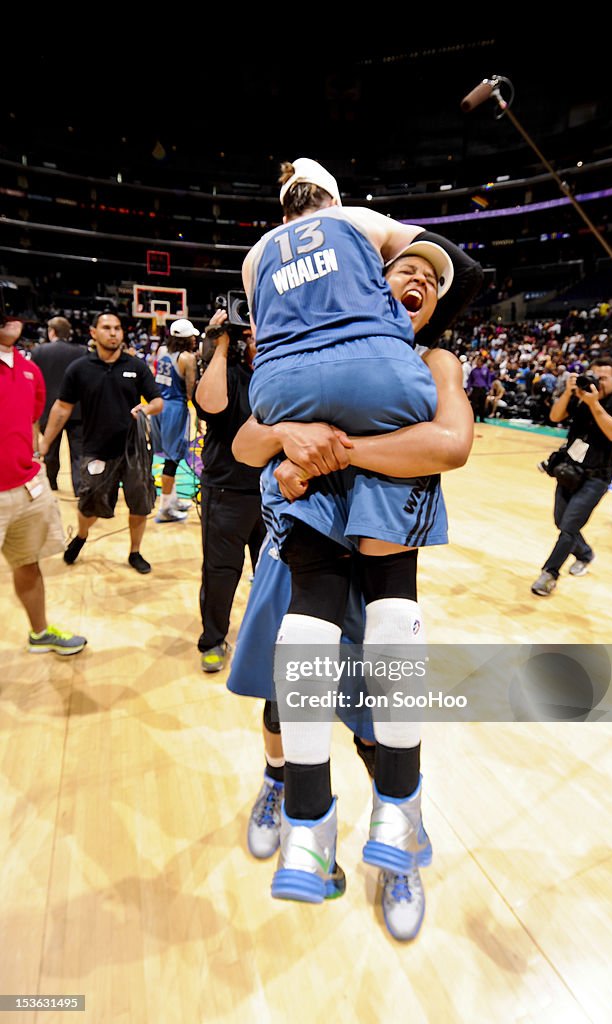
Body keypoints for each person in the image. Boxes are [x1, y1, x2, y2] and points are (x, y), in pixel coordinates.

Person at [240, 162, 481, 939]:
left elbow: (446, 444)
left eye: (430, 282)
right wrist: (284, 434)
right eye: (404, 270)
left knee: (377, 718)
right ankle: (291, 799)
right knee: (283, 700)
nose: (416, 280)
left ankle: (391, 852)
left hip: (348, 532)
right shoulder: (350, 346)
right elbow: (247, 444)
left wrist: (324, 450)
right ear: (369, 286)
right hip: (307, 564)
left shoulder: (434, 363)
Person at [39, 312, 163, 574]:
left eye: (117, 328)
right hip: (96, 450)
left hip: (134, 453)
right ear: (94, 333)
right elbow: (61, 408)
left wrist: (146, 409)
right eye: (107, 327)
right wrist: (45, 443)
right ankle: (82, 536)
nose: (114, 332)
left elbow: (157, 400)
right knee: (89, 504)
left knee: (139, 504)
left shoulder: (136, 366)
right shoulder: (80, 369)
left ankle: (135, 552)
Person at [0, 306, 87, 655]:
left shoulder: (30, 369)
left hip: (25, 489)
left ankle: (39, 633)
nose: (8, 318)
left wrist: (35, 463)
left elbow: (33, 423)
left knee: (28, 563)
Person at [192, 313, 266, 674]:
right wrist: (219, 346)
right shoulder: (227, 373)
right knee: (221, 572)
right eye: (250, 330)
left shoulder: (279, 376)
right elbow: (209, 405)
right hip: (227, 489)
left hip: (275, 493)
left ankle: (268, 637)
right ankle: (213, 639)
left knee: (273, 572)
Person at [532, 356, 612, 596]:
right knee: (561, 521)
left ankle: (549, 574)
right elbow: (555, 417)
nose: (597, 383)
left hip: (596, 477)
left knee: (569, 526)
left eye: (603, 378)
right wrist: (569, 393)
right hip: (568, 471)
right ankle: (585, 554)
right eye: (594, 376)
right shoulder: (581, 397)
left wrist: (594, 404)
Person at [30, 316, 87, 495]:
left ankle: (52, 485)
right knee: (78, 452)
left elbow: (33, 384)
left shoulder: (39, 351)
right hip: (77, 410)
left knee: (50, 451)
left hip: (48, 409)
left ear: (51, 332)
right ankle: (79, 489)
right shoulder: (82, 351)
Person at [154, 317, 198, 523]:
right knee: (172, 460)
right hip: (175, 409)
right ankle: (164, 509)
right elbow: (191, 392)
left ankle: (172, 500)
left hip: (159, 406)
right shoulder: (187, 358)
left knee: (168, 456)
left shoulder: (161, 351)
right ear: (187, 339)